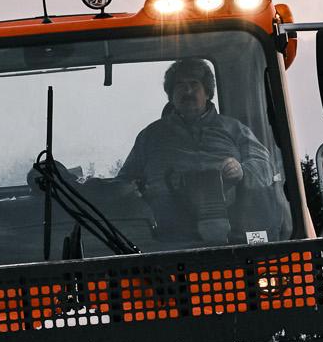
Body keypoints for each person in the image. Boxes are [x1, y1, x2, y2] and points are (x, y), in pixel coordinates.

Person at [118, 57, 283, 243]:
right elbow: (124, 182)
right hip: (168, 242)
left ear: (207, 92)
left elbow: (265, 166)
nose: (187, 91)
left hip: (233, 238)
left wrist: (242, 171)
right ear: (171, 94)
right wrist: (136, 191)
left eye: (194, 84)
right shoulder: (150, 136)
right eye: (180, 85)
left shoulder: (235, 129)